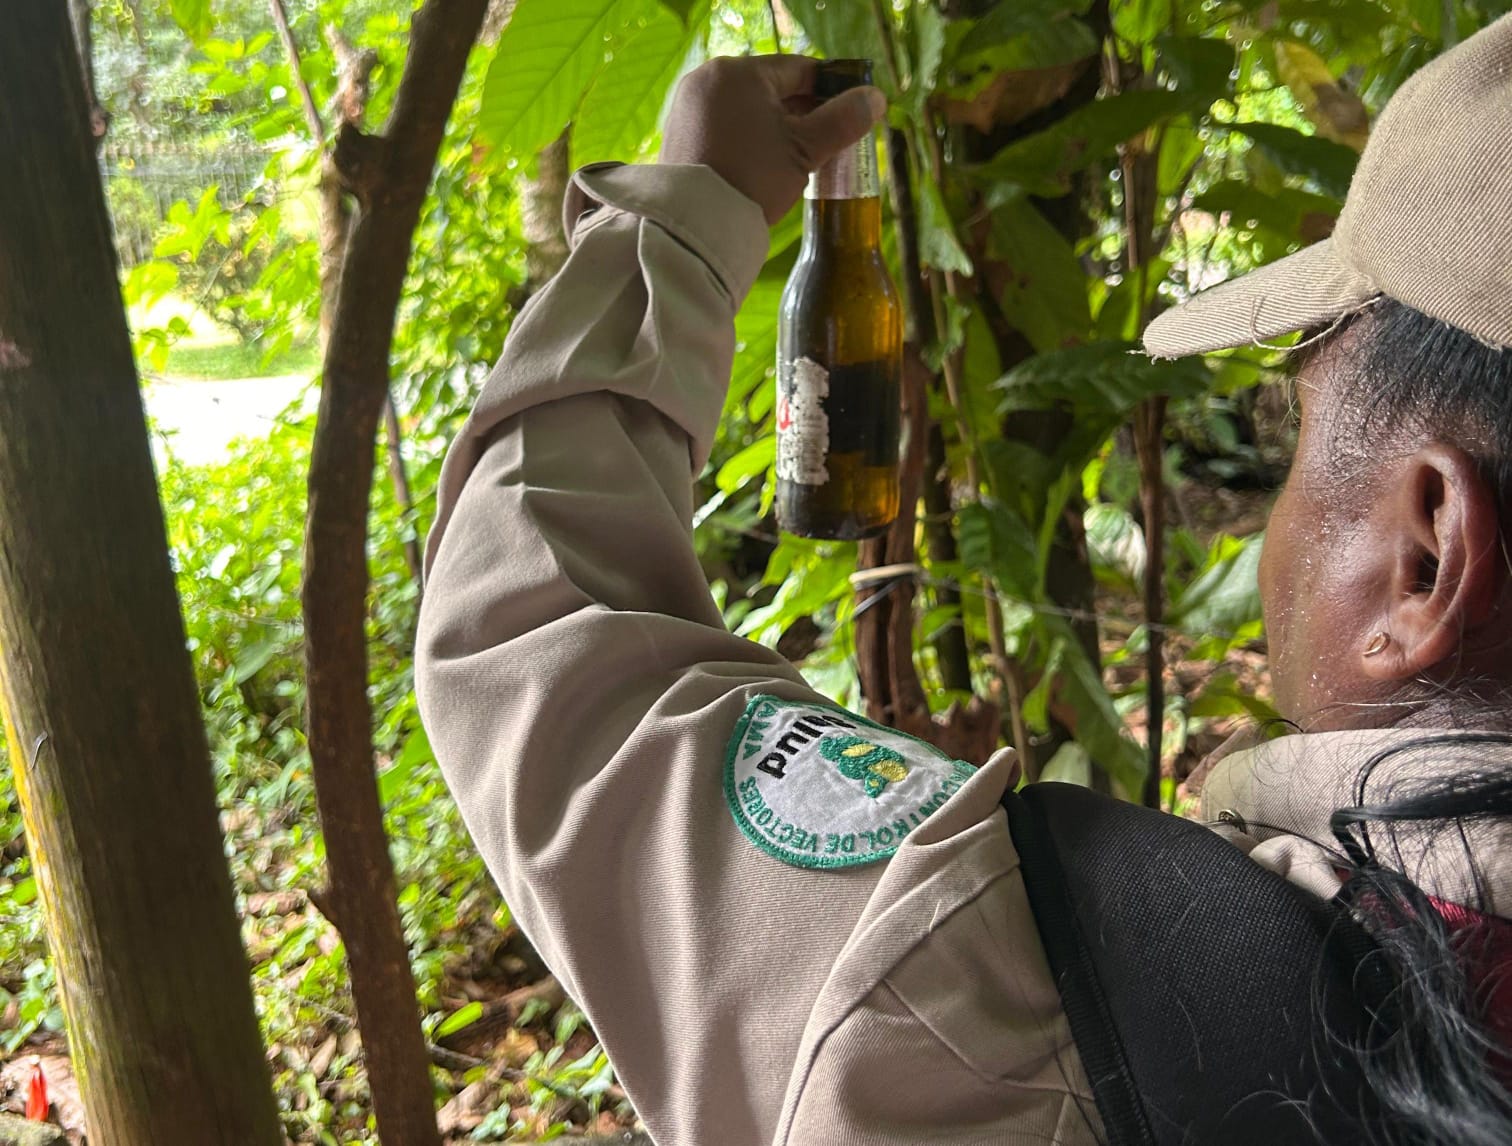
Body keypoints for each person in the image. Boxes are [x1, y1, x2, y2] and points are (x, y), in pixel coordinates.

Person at [416, 17, 1512, 1146]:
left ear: (1426, 557)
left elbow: (531, 641)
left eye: (1302, 435)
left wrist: (684, 215)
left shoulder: (1004, 997)